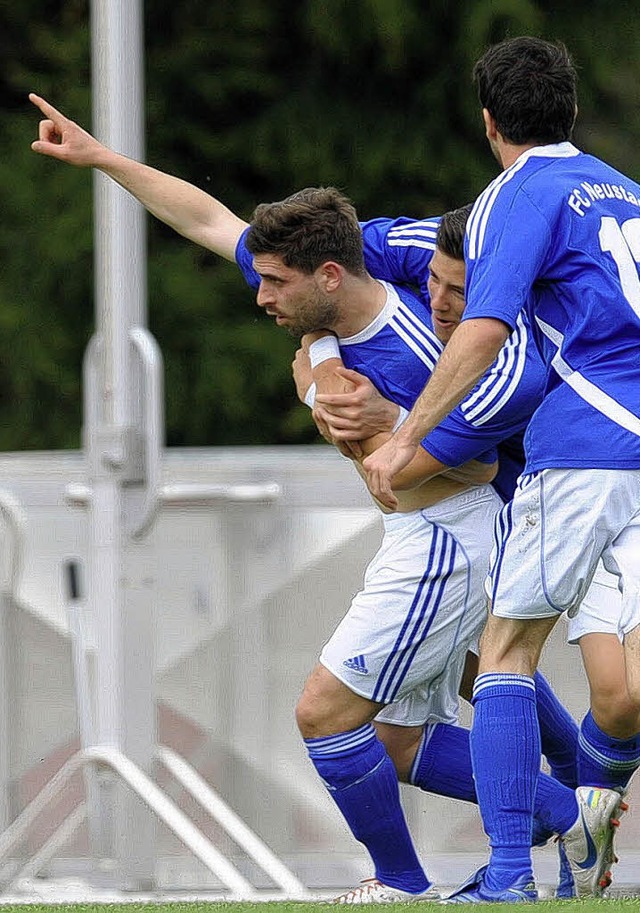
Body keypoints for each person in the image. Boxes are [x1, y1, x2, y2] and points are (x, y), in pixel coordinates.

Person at [28, 95, 605, 902]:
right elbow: (206, 219)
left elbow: (471, 472)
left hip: (447, 536)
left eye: (275, 283)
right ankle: (567, 808)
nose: (260, 293)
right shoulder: (335, 308)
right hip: (433, 535)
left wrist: (377, 420)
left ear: (329, 275)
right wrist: (103, 159)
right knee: (401, 738)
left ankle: (413, 877)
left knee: (324, 712)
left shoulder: (420, 357)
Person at [361, 36, 640, 903]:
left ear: (489, 123)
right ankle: (587, 814)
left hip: (588, 442)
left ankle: (512, 873)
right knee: (621, 690)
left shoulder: (511, 198)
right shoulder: (625, 190)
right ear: (574, 113)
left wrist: (407, 440)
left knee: (505, 653)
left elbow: (481, 331)